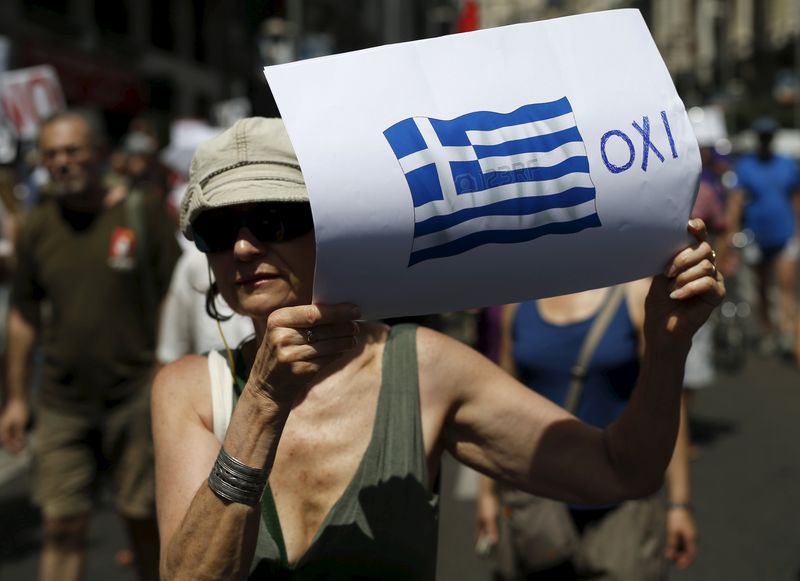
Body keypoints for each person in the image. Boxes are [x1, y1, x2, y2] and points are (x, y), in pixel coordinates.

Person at [152, 117, 723, 580]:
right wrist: (260, 404)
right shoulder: (189, 393)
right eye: (218, 232)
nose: (245, 248)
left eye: (274, 220)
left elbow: (620, 472)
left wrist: (665, 349)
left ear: (330, 226)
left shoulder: (423, 368)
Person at [0, 111, 181, 581]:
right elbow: (23, 313)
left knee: (143, 521)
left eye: (73, 150)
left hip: (137, 395)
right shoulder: (37, 227)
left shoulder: (142, 214)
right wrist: (16, 398)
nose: (63, 162)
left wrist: (171, 375)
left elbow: (176, 296)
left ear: (99, 153)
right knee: (61, 526)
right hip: (62, 402)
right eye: (53, 153)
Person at [475, 282, 696, 580]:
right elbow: (499, 403)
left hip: (620, 502)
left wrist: (678, 504)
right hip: (538, 501)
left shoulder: (636, 295)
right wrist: (488, 493)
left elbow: (666, 403)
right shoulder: (519, 301)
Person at [730, 117, 800, 356]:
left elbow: (796, 198)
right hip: (757, 237)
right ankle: (768, 330)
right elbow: (736, 203)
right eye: (763, 137)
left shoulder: (787, 164)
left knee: (787, 284)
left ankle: (787, 331)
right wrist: (732, 234)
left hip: (785, 234)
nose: (766, 141)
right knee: (762, 287)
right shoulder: (746, 166)